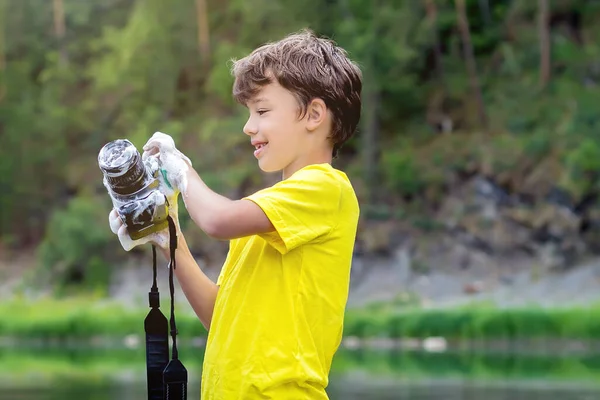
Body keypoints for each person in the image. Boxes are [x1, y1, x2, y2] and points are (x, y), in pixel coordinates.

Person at [109, 29, 362, 399]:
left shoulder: (327, 188)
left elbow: (217, 221)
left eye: (262, 110)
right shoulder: (267, 215)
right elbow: (219, 316)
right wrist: (168, 237)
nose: (249, 126)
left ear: (314, 114)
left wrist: (181, 171)